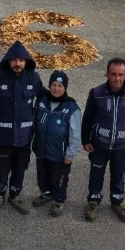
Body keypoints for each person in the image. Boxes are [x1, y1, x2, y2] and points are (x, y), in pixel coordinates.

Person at [82, 57, 125, 223]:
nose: (117, 78)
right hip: (99, 146)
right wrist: (85, 140)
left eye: (120, 74)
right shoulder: (96, 93)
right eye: (113, 74)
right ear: (107, 74)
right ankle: (93, 201)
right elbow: (87, 118)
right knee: (96, 174)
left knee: (118, 175)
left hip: (122, 147)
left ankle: (118, 202)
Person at [0, 41, 45, 215]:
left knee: (20, 168)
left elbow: (44, 94)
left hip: (24, 136)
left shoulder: (33, 78)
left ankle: (14, 195)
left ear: (26, 61)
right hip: (2, 135)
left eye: (21, 60)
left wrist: (63, 98)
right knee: (1, 168)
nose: (17, 64)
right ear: (8, 61)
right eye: (14, 60)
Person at [31, 70, 82, 217]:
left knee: (58, 178)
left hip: (60, 154)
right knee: (42, 175)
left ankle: (59, 200)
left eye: (60, 85)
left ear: (65, 88)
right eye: (53, 85)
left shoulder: (72, 108)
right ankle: (46, 194)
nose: (56, 88)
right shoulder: (41, 101)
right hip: (41, 149)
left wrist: (71, 154)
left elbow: (75, 134)